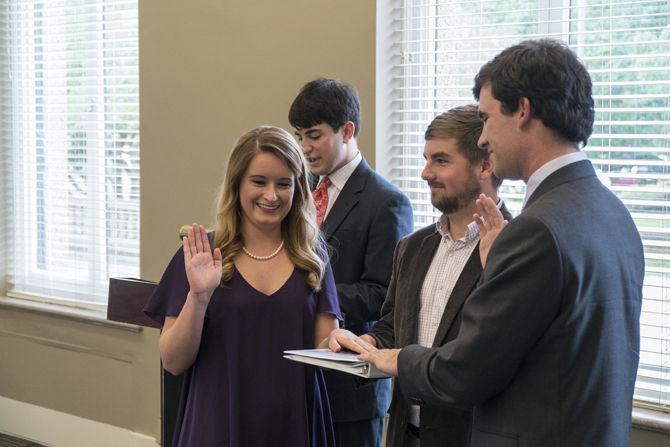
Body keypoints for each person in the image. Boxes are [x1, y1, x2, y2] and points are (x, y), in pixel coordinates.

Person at [356, 39, 645, 446]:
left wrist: (396, 358)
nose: (485, 136)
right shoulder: (615, 213)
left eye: (487, 117)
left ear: (522, 111)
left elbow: (467, 373)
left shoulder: (534, 230)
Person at [144, 126, 342, 447]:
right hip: (217, 421)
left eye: (284, 184)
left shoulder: (312, 256)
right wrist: (198, 296)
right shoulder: (202, 254)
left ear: (298, 189)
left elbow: (325, 351)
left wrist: (348, 345)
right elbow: (173, 361)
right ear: (236, 184)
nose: (271, 195)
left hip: (295, 423)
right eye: (259, 182)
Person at [327, 104, 511, 447]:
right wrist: (364, 345)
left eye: (441, 161)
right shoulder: (412, 247)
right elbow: (393, 325)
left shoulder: (517, 247)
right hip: (404, 434)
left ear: (485, 164)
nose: (426, 173)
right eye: (426, 160)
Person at [289, 78, 414, 447]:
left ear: (347, 130)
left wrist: (308, 297)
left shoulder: (386, 202)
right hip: (298, 377)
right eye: (299, 136)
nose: (305, 148)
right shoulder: (297, 190)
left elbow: (383, 294)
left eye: (314, 135)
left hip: (350, 387)